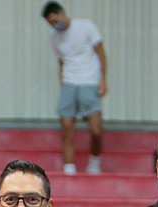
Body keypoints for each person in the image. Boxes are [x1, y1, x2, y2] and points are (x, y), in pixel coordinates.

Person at [41, 2, 107, 175]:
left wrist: (103, 80)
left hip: (90, 83)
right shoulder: (54, 38)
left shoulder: (86, 27)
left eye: (56, 19)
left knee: (96, 130)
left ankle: (94, 162)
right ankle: (69, 168)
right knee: (67, 129)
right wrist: (62, 83)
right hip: (69, 84)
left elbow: (101, 53)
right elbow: (61, 62)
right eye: (51, 23)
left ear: (62, 13)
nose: (56, 24)